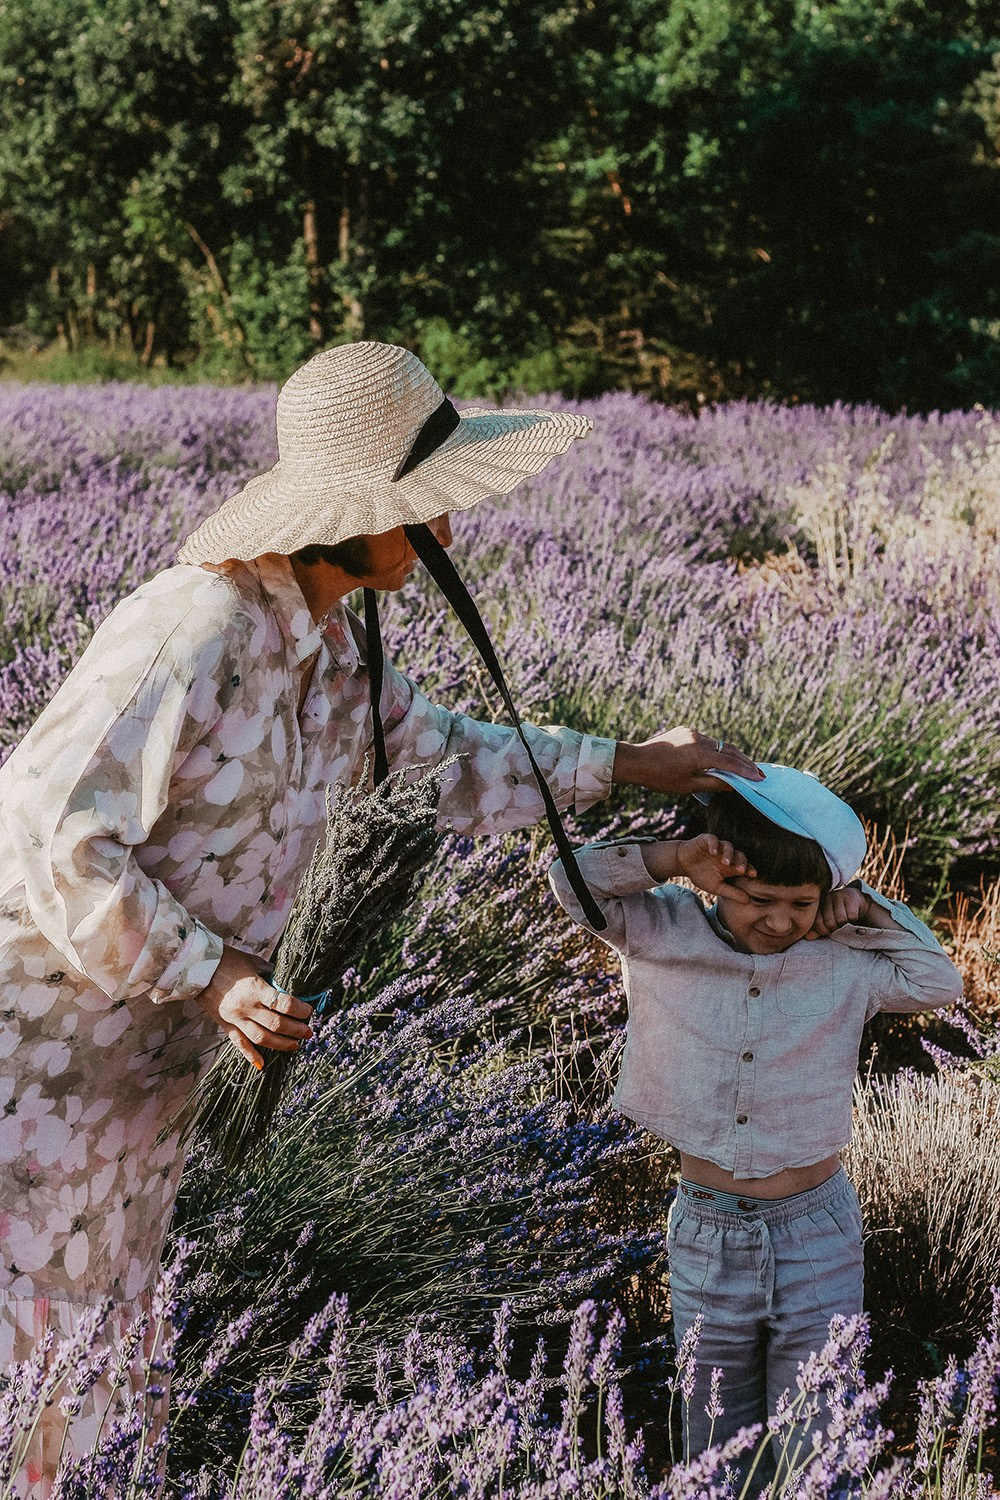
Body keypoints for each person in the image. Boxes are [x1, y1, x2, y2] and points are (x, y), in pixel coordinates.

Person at [0, 340, 761, 1496]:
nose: (445, 535)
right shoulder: (194, 630)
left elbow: (448, 758)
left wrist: (628, 763)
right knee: (33, 1331)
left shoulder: (331, 640)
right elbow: (48, 838)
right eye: (423, 509)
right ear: (341, 515)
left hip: (142, 1076)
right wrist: (212, 974)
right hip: (42, 1063)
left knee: (106, 1329)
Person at [549, 764, 963, 1491]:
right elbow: (569, 880)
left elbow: (938, 982)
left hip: (818, 1229)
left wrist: (862, 910)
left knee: (822, 1431)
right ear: (716, 882)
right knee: (717, 1432)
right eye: (758, 899)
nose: (779, 921)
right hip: (708, 1231)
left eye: (801, 903)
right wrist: (673, 857)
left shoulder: (844, 960)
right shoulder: (659, 927)